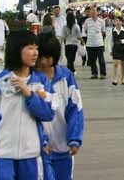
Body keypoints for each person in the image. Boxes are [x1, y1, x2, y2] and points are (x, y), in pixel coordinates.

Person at [0, 30, 55, 179]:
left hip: (31, 153)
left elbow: (48, 113)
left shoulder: (41, 82)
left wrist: (29, 94)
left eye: (36, 48)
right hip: (1, 154)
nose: (35, 53)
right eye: (30, 48)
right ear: (16, 50)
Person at [36, 35, 84, 180]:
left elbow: (75, 110)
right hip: (38, 150)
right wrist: (41, 140)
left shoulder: (66, 77)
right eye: (41, 56)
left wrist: (74, 138)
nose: (43, 61)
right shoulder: (31, 79)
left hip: (63, 148)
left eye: (48, 57)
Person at [82, 6, 107, 79]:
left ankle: (103, 74)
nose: (93, 13)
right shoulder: (87, 21)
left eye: (94, 12)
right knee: (92, 60)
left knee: (101, 60)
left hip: (99, 44)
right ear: (90, 13)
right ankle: (94, 73)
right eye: (91, 12)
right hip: (90, 44)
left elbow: (103, 31)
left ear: (97, 13)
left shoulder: (101, 21)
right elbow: (85, 30)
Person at [110, 17, 124, 86]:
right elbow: (111, 41)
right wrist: (110, 50)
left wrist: (121, 41)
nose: (117, 22)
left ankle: (123, 78)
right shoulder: (112, 30)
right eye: (116, 21)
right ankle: (115, 79)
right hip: (115, 49)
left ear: (122, 22)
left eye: (119, 21)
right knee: (115, 64)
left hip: (123, 49)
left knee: (122, 64)